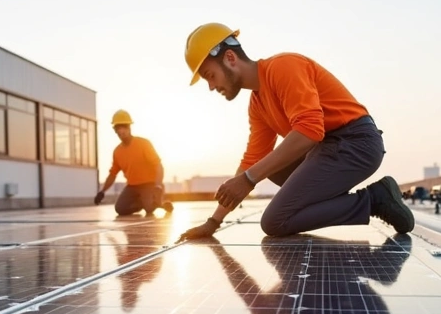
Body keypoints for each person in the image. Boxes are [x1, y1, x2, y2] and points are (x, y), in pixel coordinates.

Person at [176, 23, 414, 241]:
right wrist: (214, 221)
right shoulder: (257, 104)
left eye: (210, 75)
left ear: (230, 58)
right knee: (266, 168)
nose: (210, 86)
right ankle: (350, 198)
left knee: (274, 221)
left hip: (355, 143)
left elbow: (310, 131)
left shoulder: (283, 67)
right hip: (328, 149)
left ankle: (374, 199)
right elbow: (252, 161)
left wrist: (249, 178)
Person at [95, 109, 174, 216]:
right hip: (132, 187)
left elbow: (158, 165)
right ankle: (147, 202)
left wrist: (158, 185)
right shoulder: (117, 151)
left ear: (129, 127)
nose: (122, 131)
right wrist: (102, 191)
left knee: (149, 209)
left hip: (150, 184)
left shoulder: (143, 143)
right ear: (115, 130)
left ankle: (158, 203)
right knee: (120, 209)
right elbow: (113, 174)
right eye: (119, 128)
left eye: (124, 127)